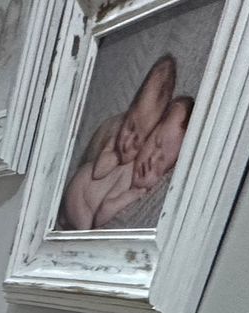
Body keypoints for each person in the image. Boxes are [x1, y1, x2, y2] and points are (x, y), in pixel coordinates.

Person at [58, 54, 178, 229]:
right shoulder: (114, 136)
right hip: (78, 194)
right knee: (84, 230)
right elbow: (99, 171)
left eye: (137, 142)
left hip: (84, 201)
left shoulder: (133, 171)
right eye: (130, 126)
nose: (127, 142)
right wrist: (114, 155)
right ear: (129, 112)